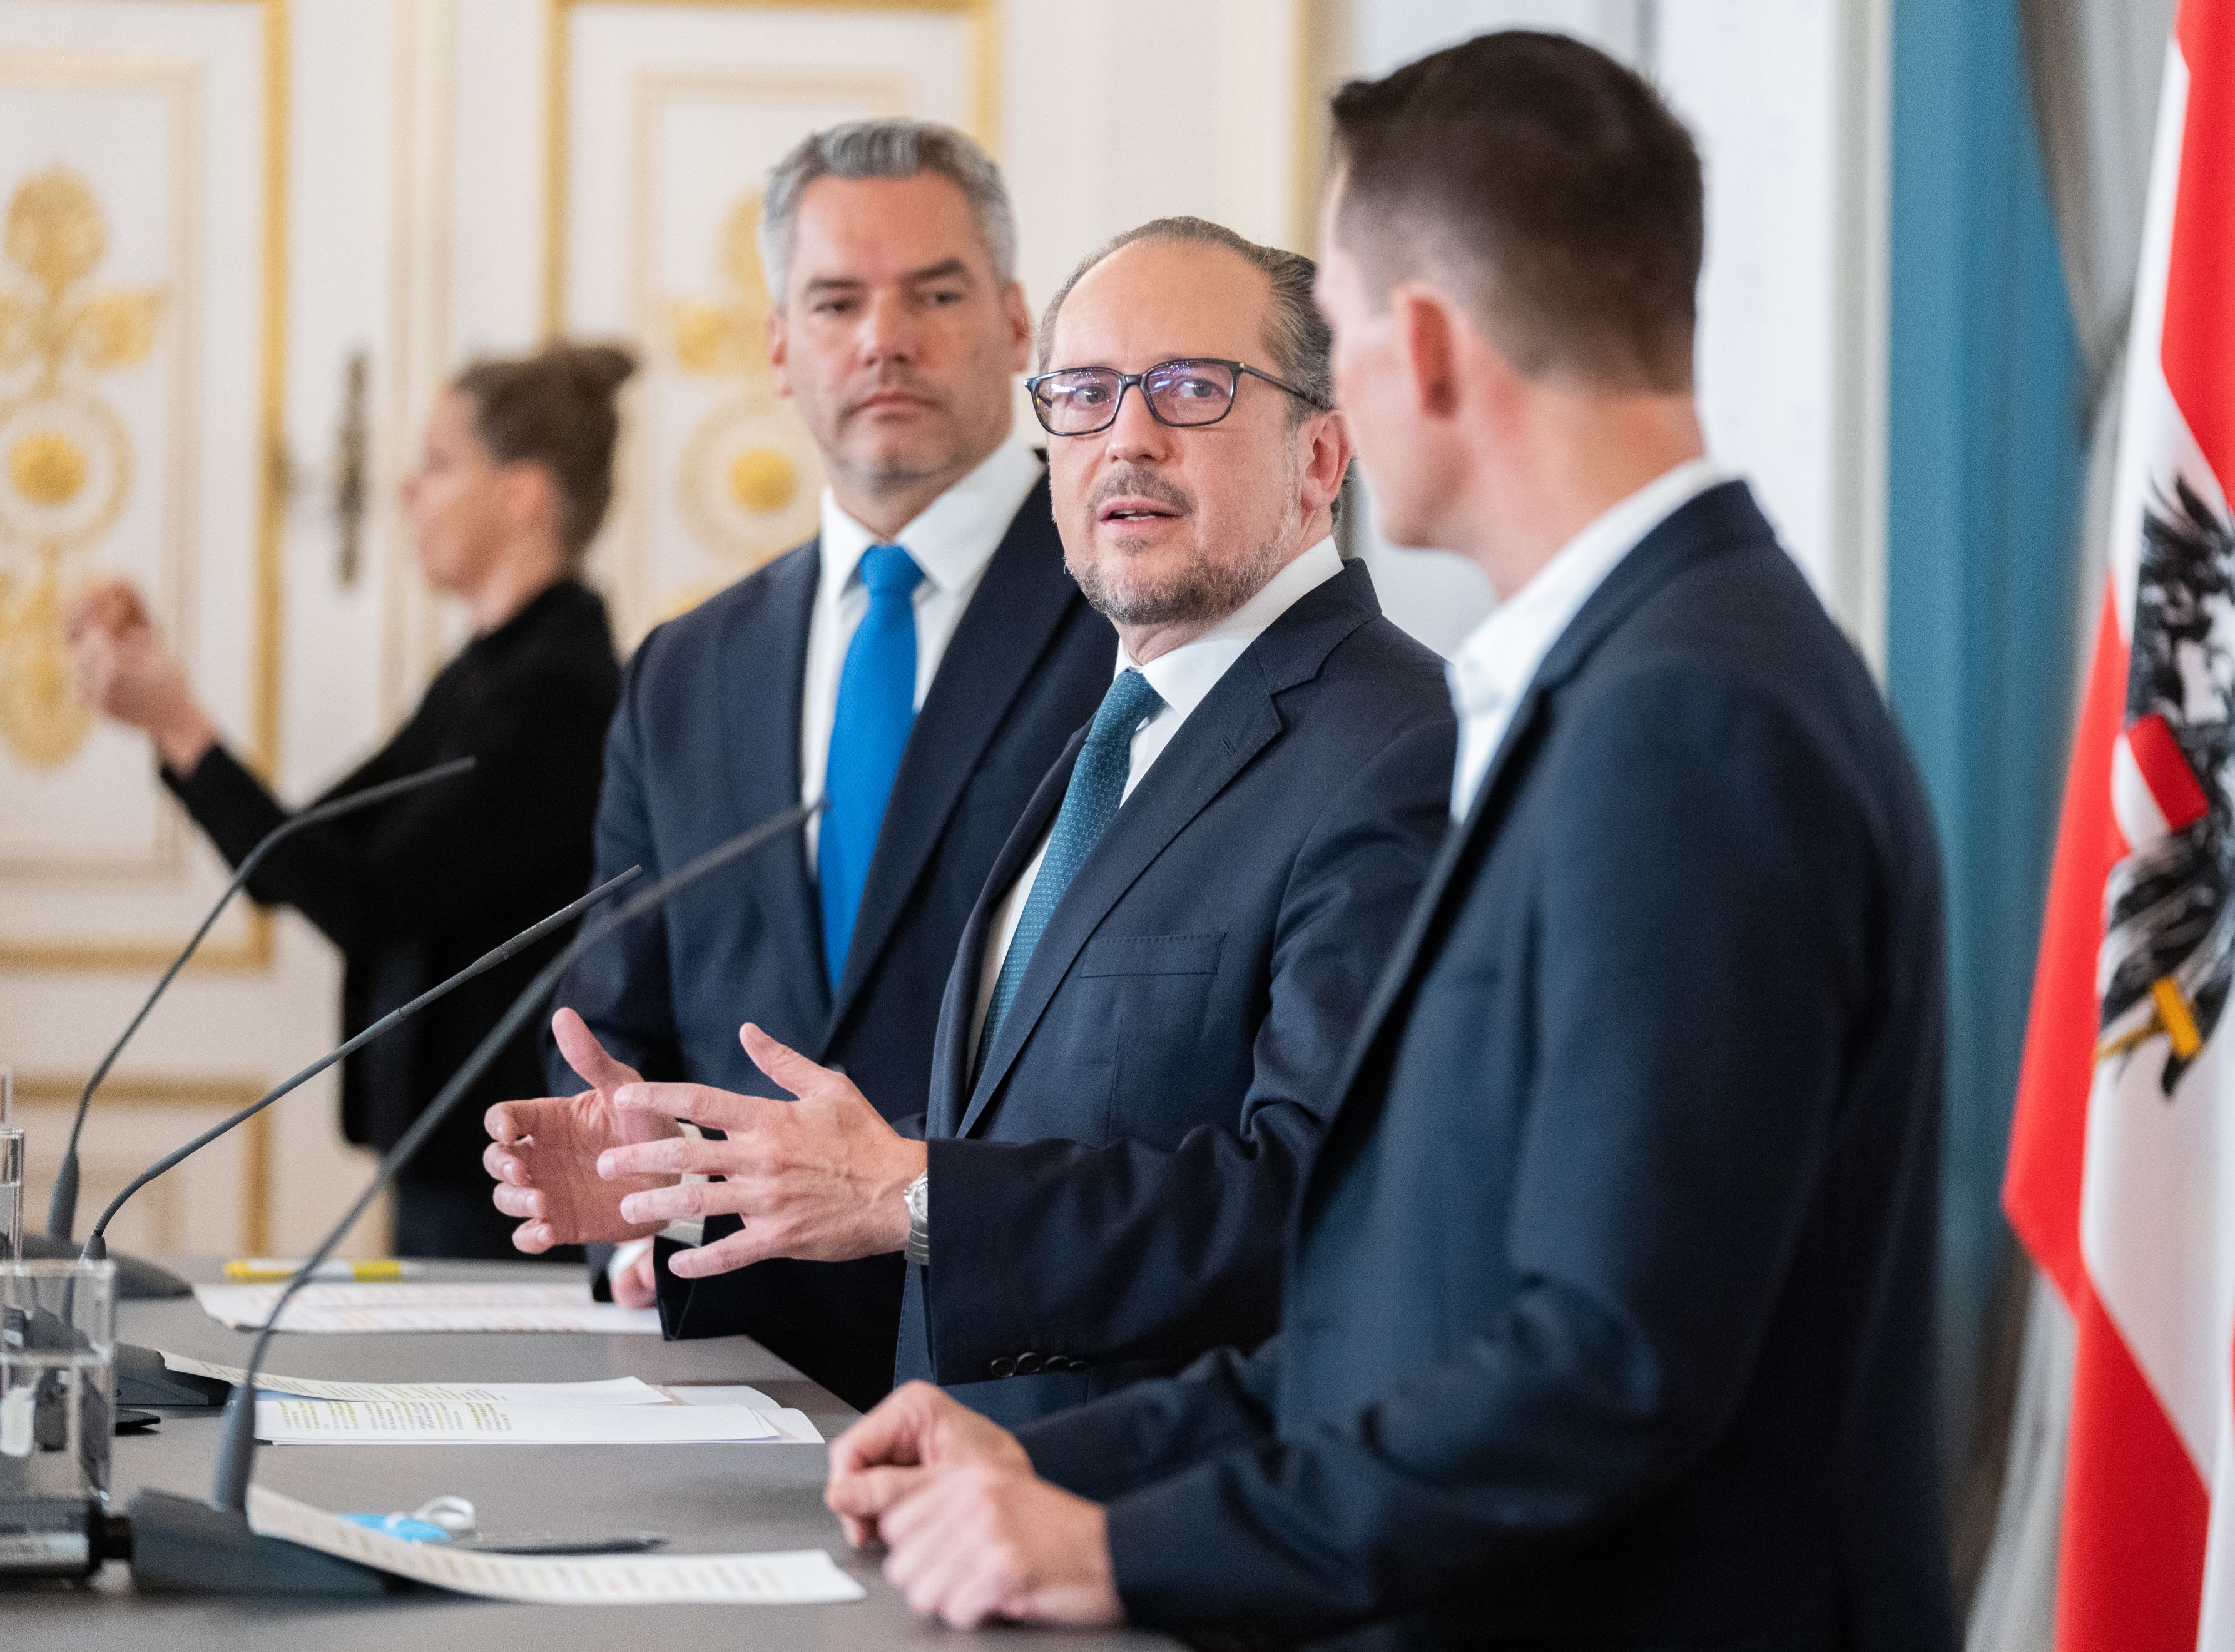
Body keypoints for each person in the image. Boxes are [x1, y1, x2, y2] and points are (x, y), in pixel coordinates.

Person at [819, 31, 1957, 1649]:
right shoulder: (1635, 672)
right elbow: (1417, 1301)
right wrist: (1059, 1461)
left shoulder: (1689, 716)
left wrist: (1125, 1551)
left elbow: (1606, 1361)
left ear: (1410, 350)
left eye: (1337, 332)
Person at [485, 217, 1455, 1425]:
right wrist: (699, 1185)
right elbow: (1017, 1137)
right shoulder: (1121, 728)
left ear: (1322, 455)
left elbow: (1326, 1204)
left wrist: (908, 1194)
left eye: (1192, 389)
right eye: (1084, 396)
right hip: (960, 1492)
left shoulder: (1400, 748)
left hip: (1160, 1508)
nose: (1127, 438)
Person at [482, 119, 1115, 1407]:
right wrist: (634, 1186)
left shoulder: (1125, 619)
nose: (883, 338)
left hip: (1025, 1374)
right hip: (731, 1369)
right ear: (778, 345)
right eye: (836, 302)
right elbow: (615, 1012)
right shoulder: (685, 667)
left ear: (1013, 324)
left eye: (934, 294)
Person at [67, 343, 630, 1259]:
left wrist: (179, 724)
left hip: (504, 1169)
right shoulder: (491, 671)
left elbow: (364, 902)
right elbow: (295, 859)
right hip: (451, 1155)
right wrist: (169, 716)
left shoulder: (556, 691)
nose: (406, 491)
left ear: (520, 496)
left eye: (437, 463)